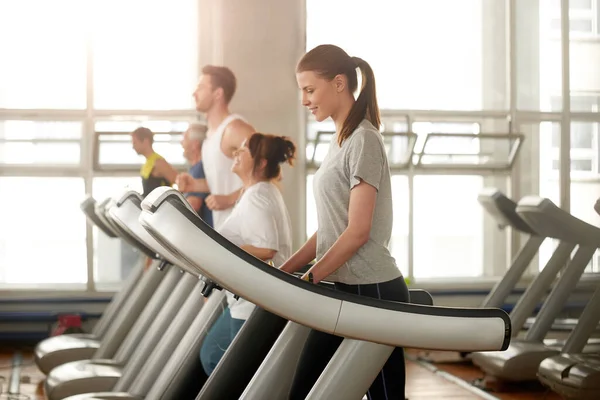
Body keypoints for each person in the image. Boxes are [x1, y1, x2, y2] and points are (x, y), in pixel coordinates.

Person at [279, 44, 410, 400]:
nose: (305, 100)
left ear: (339, 83)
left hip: (373, 288)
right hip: (341, 286)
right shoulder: (340, 140)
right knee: (304, 390)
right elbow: (331, 227)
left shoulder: (364, 139)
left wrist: (311, 276)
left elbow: (358, 231)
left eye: (310, 89)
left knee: (386, 399)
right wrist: (286, 270)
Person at [179, 132, 296, 376]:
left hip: (253, 303)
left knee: (223, 366)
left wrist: (223, 258)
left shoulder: (257, 196)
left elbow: (267, 249)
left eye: (243, 150)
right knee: (214, 357)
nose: (236, 153)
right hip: (247, 301)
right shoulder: (257, 192)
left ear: (261, 163)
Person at [180, 65, 255, 230]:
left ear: (218, 94)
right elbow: (222, 182)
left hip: (248, 236)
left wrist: (230, 199)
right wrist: (194, 185)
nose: (194, 93)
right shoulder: (209, 137)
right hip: (226, 234)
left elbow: (270, 176)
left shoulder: (234, 129)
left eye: (200, 87)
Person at [180, 123, 213, 227]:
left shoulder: (201, 168)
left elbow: (193, 206)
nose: (181, 142)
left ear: (195, 144)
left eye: (184, 138)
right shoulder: (196, 168)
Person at [131, 127, 178, 198]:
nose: (133, 146)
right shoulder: (147, 163)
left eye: (135, 142)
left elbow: (180, 182)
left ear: (145, 141)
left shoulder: (159, 162)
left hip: (161, 207)